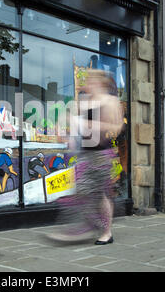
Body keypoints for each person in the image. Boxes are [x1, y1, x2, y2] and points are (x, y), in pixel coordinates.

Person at [48, 69, 124, 245]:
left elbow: (116, 127)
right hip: (85, 153)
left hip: (102, 154)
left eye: (89, 80)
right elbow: (78, 128)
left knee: (101, 194)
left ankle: (105, 232)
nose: (86, 84)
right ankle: (88, 227)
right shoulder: (85, 102)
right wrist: (70, 136)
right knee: (83, 192)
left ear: (99, 83)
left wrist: (86, 123)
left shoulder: (111, 101)